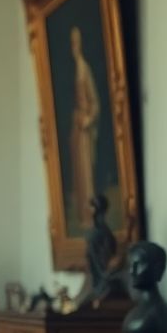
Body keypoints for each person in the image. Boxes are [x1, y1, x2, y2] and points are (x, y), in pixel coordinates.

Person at [69, 26, 101, 230]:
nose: (74, 47)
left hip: (85, 128)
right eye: (72, 43)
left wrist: (88, 119)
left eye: (77, 42)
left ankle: (90, 216)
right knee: (79, 173)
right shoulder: (76, 68)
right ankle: (83, 214)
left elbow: (95, 102)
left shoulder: (84, 68)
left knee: (86, 173)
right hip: (77, 127)